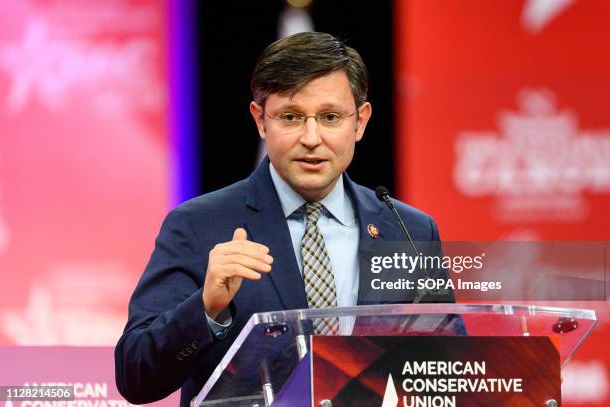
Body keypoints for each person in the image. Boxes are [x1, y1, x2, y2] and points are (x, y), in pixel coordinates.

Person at [115, 32, 448, 406]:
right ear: (261, 120)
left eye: (330, 117)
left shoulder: (409, 230)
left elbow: (442, 372)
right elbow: (134, 375)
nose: (311, 137)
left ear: (360, 122)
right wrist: (206, 307)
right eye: (290, 117)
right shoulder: (198, 225)